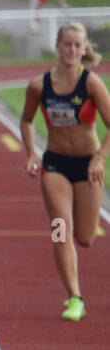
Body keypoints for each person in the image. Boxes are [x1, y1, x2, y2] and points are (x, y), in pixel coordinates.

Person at [18, 23, 109, 322]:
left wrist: (99, 157)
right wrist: (31, 151)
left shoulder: (92, 84)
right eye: (67, 44)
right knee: (60, 228)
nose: (71, 50)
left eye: (77, 46)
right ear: (57, 46)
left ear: (84, 50)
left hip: (87, 166)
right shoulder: (39, 86)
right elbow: (27, 121)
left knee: (85, 238)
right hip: (54, 164)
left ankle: (74, 292)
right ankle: (74, 297)